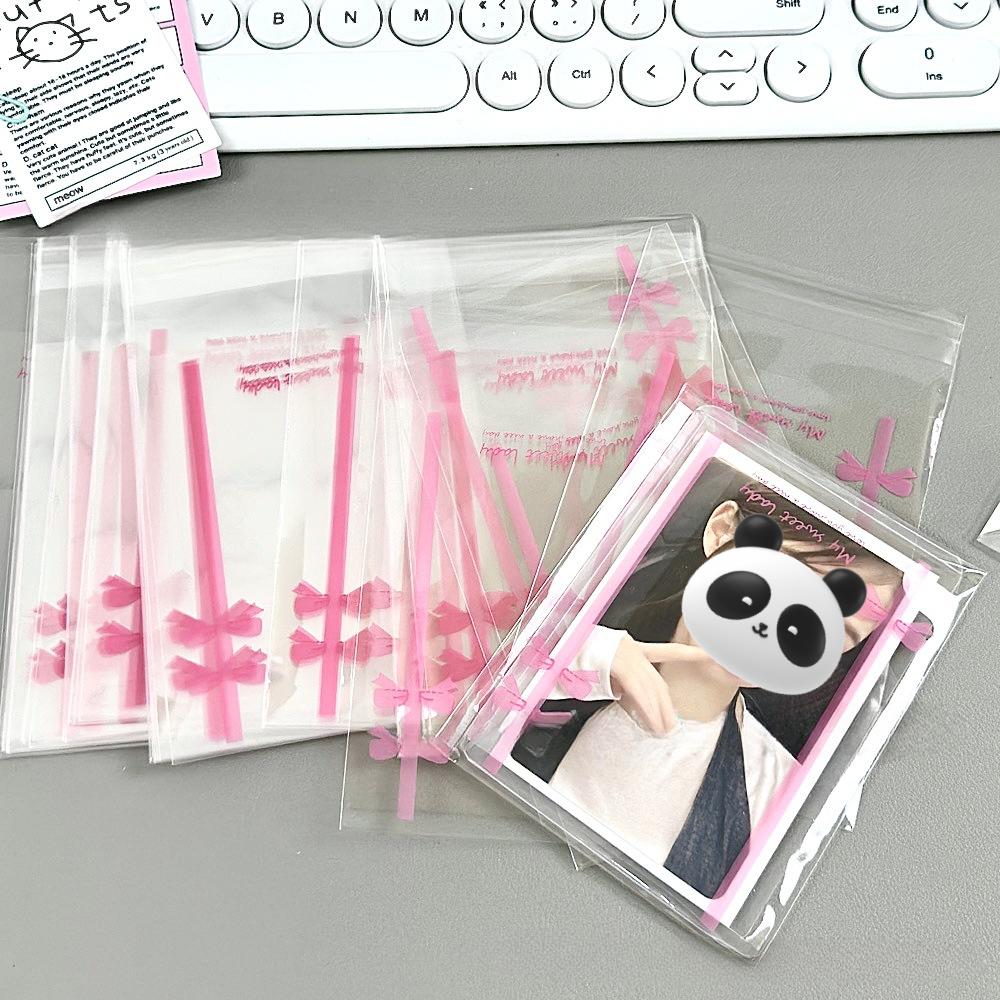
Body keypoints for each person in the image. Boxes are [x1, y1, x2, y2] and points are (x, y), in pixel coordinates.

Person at [512, 475, 902, 896]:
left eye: (833, 631)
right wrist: (584, 655)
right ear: (722, 530)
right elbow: (466, 700)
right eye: (786, 579)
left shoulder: (777, 790)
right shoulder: (559, 655)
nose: (776, 632)